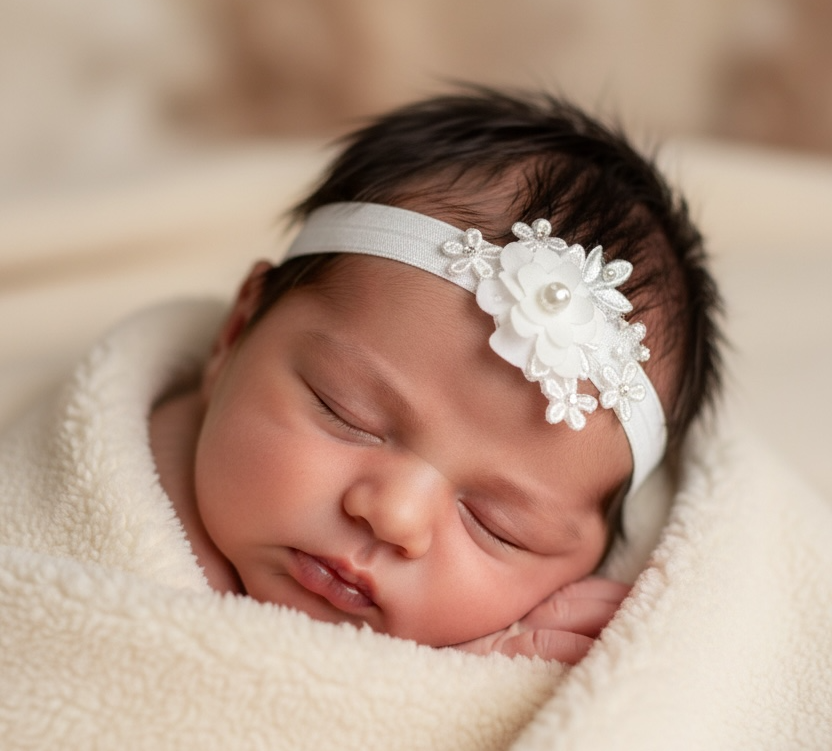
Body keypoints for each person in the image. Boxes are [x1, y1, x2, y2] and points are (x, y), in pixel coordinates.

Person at [150, 88, 723, 663]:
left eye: (498, 527)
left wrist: (466, 696)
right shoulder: (115, 504)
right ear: (236, 331)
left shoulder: (518, 669)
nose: (395, 516)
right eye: (344, 413)